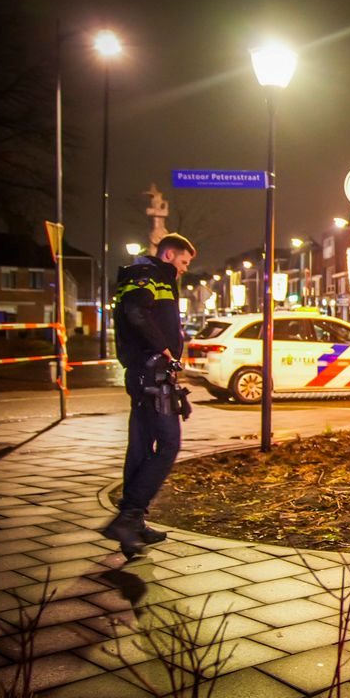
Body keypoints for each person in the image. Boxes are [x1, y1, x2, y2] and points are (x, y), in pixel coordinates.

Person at [101, 233, 196, 557]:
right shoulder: (150, 276)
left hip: (142, 374)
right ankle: (129, 516)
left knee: (141, 446)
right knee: (169, 443)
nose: (184, 269)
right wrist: (165, 350)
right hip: (152, 373)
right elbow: (136, 313)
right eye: (183, 262)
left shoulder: (143, 276)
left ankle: (133, 525)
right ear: (169, 255)